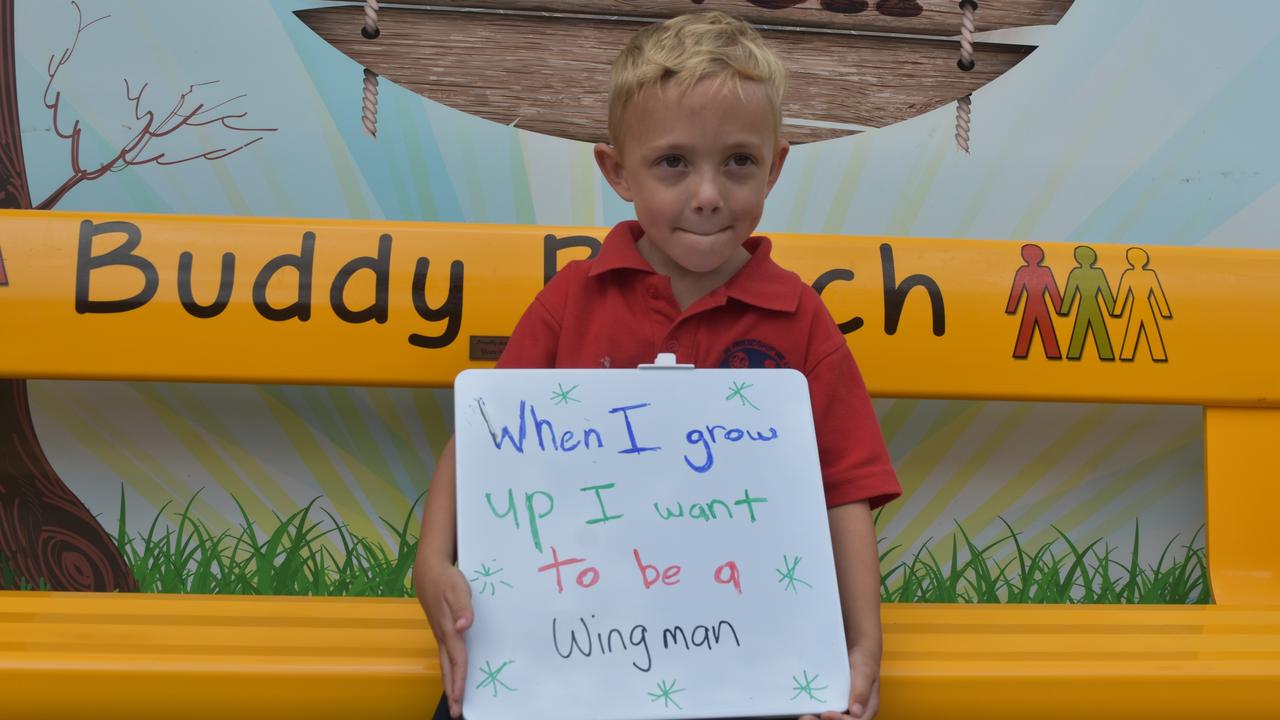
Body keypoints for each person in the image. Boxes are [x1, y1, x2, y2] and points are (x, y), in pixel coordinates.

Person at [413, 11, 901, 720]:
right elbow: (484, 439)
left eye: (738, 161)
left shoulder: (801, 320)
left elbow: (844, 491)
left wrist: (862, 648)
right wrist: (432, 563)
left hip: (747, 654)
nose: (707, 193)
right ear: (617, 171)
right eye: (673, 162)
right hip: (571, 641)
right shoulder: (571, 301)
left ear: (776, 166)